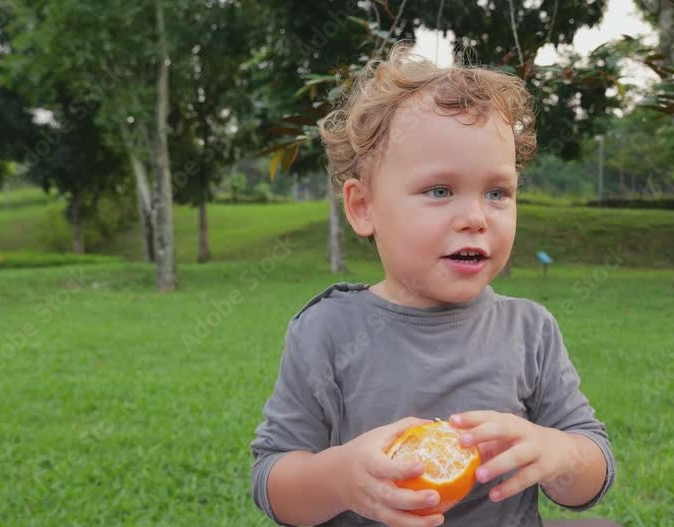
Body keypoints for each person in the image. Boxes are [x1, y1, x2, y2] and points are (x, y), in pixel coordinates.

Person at [250, 41, 616, 527]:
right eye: (440, 190)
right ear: (363, 207)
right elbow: (272, 480)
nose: (475, 217)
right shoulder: (326, 332)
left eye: (497, 192)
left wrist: (560, 453)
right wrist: (339, 479)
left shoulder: (530, 330)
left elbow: (592, 466)